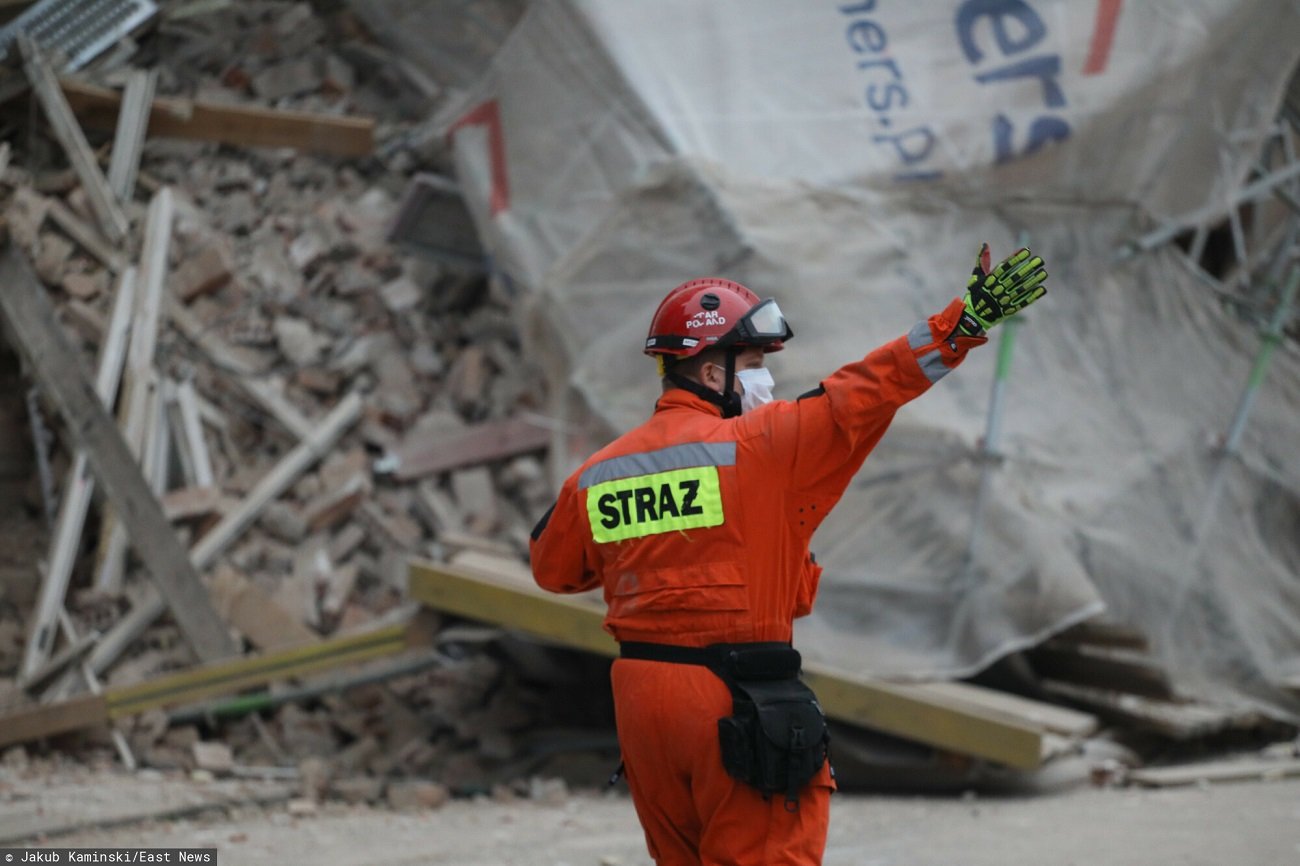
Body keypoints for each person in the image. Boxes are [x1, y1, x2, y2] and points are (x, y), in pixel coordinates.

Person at [529, 245, 1048, 865]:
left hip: (642, 703)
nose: (763, 380)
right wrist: (961, 324)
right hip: (738, 695)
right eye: (750, 362)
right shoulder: (763, 445)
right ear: (710, 370)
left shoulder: (598, 473)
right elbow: (866, 391)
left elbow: (554, 571)